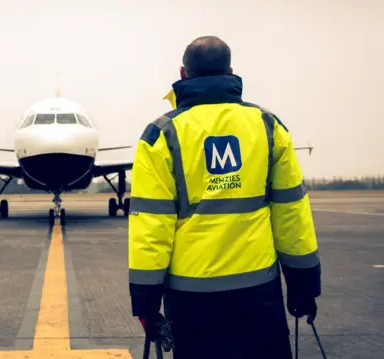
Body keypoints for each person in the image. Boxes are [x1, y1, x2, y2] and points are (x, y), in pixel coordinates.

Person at [128, 35, 321, 359]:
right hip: (259, 294)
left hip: (192, 299)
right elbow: (291, 214)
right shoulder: (269, 126)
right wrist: (303, 284)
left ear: (183, 73)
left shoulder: (160, 135)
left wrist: (146, 303)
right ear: (230, 71)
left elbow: (152, 226)